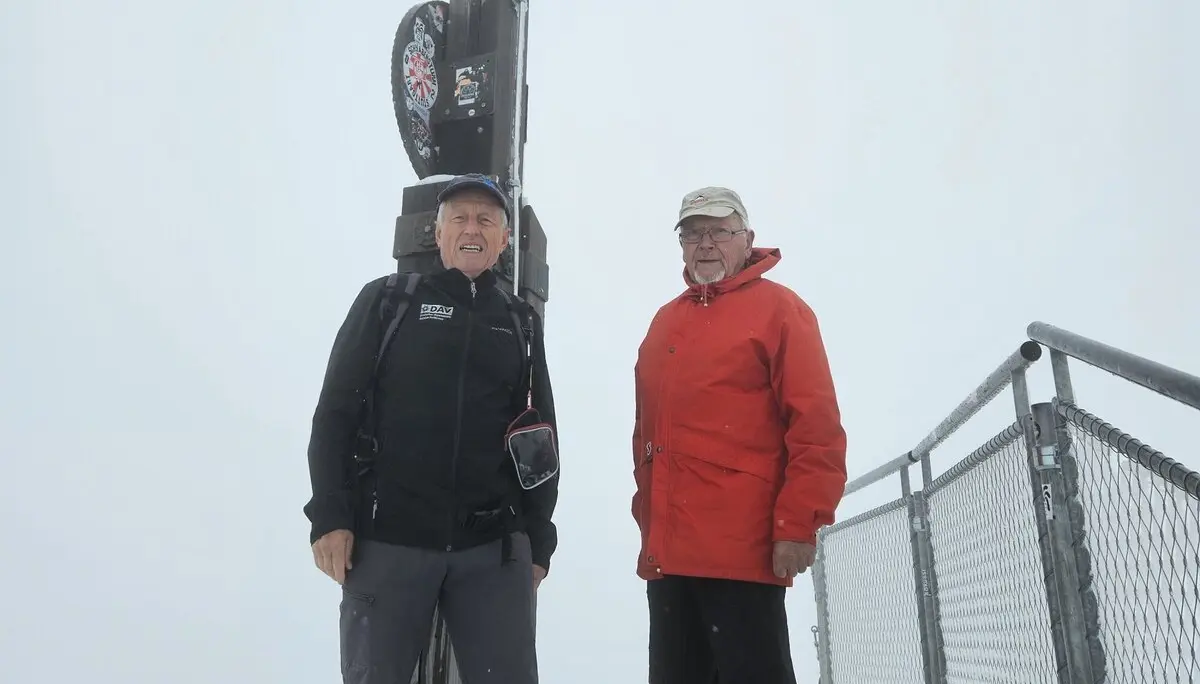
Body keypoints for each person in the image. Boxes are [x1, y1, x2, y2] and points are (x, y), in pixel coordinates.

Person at [303, 173, 559, 684]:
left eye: (486, 219)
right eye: (459, 217)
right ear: (437, 234)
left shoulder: (517, 321)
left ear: (504, 239)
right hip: (388, 542)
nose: (472, 228)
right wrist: (330, 514)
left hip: (493, 552)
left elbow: (540, 435)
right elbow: (335, 412)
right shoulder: (389, 301)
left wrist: (538, 539)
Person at [630, 186, 848, 684]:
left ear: (746, 239)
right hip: (668, 557)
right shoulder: (665, 320)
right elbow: (646, 432)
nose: (704, 243)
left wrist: (799, 522)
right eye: (691, 233)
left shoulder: (781, 310)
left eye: (719, 231)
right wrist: (646, 514)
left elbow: (816, 426)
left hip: (743, 553)